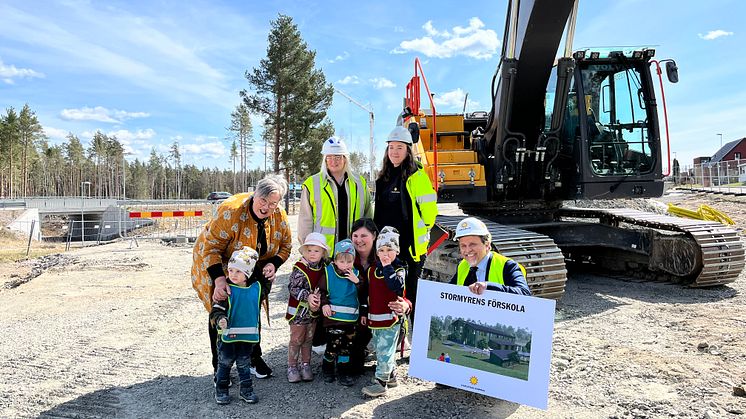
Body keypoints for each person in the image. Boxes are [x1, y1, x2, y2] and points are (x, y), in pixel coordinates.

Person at [191, 174, 293, 380]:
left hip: (255, 266)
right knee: (221, 310)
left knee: (250, 308)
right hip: (221, 265)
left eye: (273, 203)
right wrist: (219, 280)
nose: (266, 207)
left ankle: (253, 358)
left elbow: (286, 246)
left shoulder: (279, 214)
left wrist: (274, 263)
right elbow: (211, 249)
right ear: (255, 195)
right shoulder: (230, 213)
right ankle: (220, 367)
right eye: (263, 200)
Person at [374, 125, 437, 321]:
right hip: (386, 244)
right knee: (388, 286)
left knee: (411, 291)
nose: (394, 152)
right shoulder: (383, 177)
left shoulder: (417, 177)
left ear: (408, 150)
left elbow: (429, 213)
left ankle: (414, 334)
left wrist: (423, 230)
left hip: (410, 246)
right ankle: (393, 330)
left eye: (399, 147)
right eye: (391, 147)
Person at [361, 226, 412, 398]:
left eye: (389, 249)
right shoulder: (372, 270)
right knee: (381, 348)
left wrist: (388, 267)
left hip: (390, 319)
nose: (385, 254)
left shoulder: (399, 270)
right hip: (375, 318)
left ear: (397, 251)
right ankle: (391, 377)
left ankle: (381, 383)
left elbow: (396, 286)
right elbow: (369, 294)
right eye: (381, 250)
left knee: (385, 351)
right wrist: (364, 313)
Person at [298, 136, 373, 252]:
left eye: (338, 157)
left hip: (354, 251)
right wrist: (307, 250)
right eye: (329, 157)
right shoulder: (312, 184)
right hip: (323, 251)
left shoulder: (360, 183)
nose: (333, 161)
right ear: (325, 159)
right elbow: (305, 221)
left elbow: (368, 215)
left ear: (345, 158)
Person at [210, 246, 261, 405]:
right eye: (231, 270)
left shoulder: (256, 288)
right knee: (224, 364)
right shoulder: (226, 290)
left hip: (246, 338)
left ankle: (246, 390)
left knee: (244, 364)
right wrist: (220, 319)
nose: (232, 275)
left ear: (248, 273)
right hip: (228, 338)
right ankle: (221, 390)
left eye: (238, 271)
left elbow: (265, 284)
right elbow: (215, 310)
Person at [449, 217, 531, 295]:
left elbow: (524, 293)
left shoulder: (507, 266)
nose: (467, 250)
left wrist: (488, 286)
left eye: (472, 244)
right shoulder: (463, 266)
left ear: (487, 245)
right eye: (463, 246)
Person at [285, 232, 328, 383]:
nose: (312, 254)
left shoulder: (324, 268)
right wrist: (307, 296)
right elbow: (293, 287)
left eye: (316, 251)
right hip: (298, 312)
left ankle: (305, 365)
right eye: (309, 250)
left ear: (323, 253)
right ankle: (292, 366)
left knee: (309, 339)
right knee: (297, 338)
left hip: (313, 312)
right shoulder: (300, 268)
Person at [318, 239, 361, 386]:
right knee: (333, 345)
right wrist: (324, 304)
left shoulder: (356, 274)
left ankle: (344, 373)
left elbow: (365, 293)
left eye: (349, 261)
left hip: (351, 320)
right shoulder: (328, 273)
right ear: (335, 260)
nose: (345, 265)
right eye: (342, 261)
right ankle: (327, 369)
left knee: (347, 348)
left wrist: (357, 282)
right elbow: (321, 291)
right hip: (334, 318)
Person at [348, 218, 379, 375]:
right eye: (355, 236)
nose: (358, 240)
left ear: (374, 236)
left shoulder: (383, 257)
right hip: (353, 308)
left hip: (377, 308)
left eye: (363, 236)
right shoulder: (346, 259)